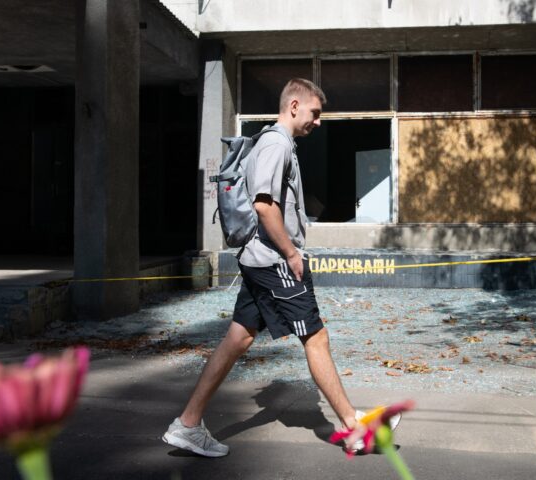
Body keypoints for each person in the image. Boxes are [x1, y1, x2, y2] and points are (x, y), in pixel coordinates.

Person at [162, 78, 400, 457]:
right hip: (274, 261)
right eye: (315, 114)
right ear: (293, 106)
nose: (318, 122)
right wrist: (291, 252)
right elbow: (263, 205)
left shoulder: (276, 143)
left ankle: (187, 425)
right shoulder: (275, 144)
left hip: (259, 259)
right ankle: (353, 428)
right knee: (316, 338)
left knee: (237, 339)